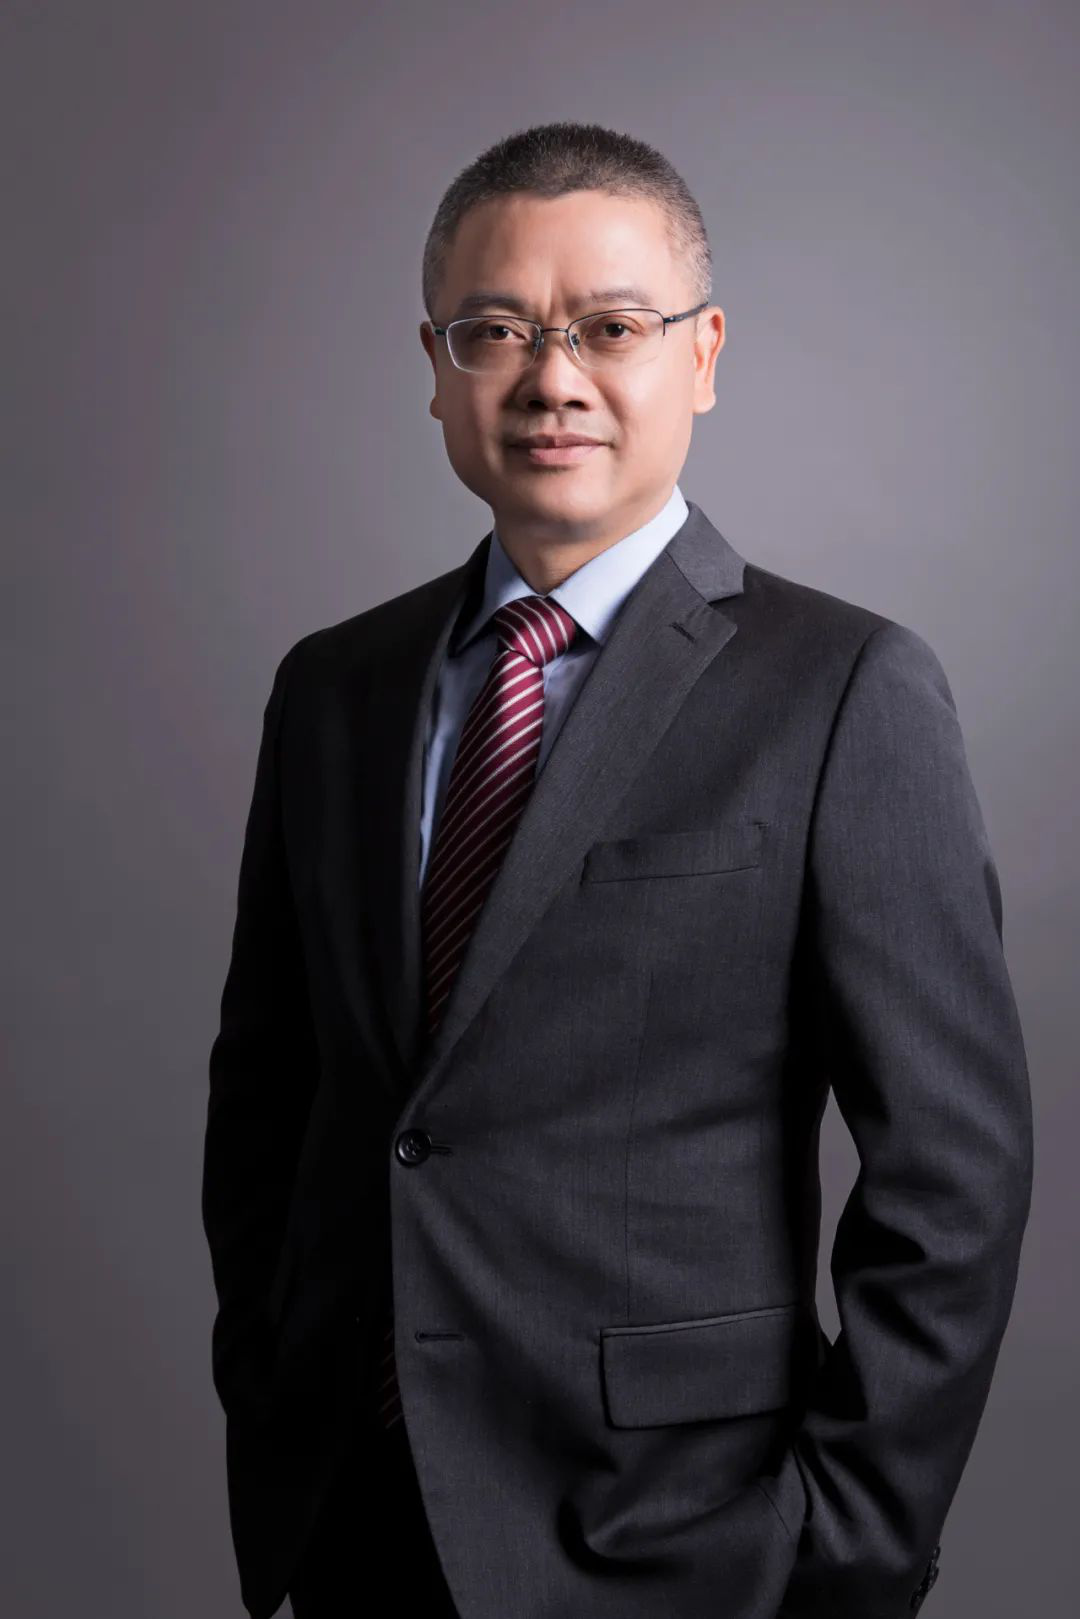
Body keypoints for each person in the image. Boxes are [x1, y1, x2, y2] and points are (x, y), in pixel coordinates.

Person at [201, 120, 1033, 1619]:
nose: (552, 378)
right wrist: (273, 1392)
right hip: (356, 1515)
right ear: (436, 365)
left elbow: (952, 1174)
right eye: (496, 330)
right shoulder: (334, 688)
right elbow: (270, 1098)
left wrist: (842, 1548)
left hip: (683, 1540)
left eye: (611, 327)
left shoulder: (843, 688)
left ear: (702, 355)